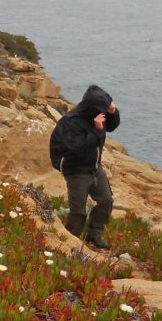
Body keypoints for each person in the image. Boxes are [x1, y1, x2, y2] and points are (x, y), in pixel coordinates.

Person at [48, 85, 120, 249]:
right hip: (76, 169)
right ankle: (69, 241)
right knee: (78, 211)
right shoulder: (71, 122)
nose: (104, 112)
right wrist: (96, 130)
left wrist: (113, 110)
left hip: (94, 167)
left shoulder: (96, 116)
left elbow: (112, 126)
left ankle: (93, 234)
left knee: (106, 201)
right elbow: (77, 149)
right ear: (92, 108)